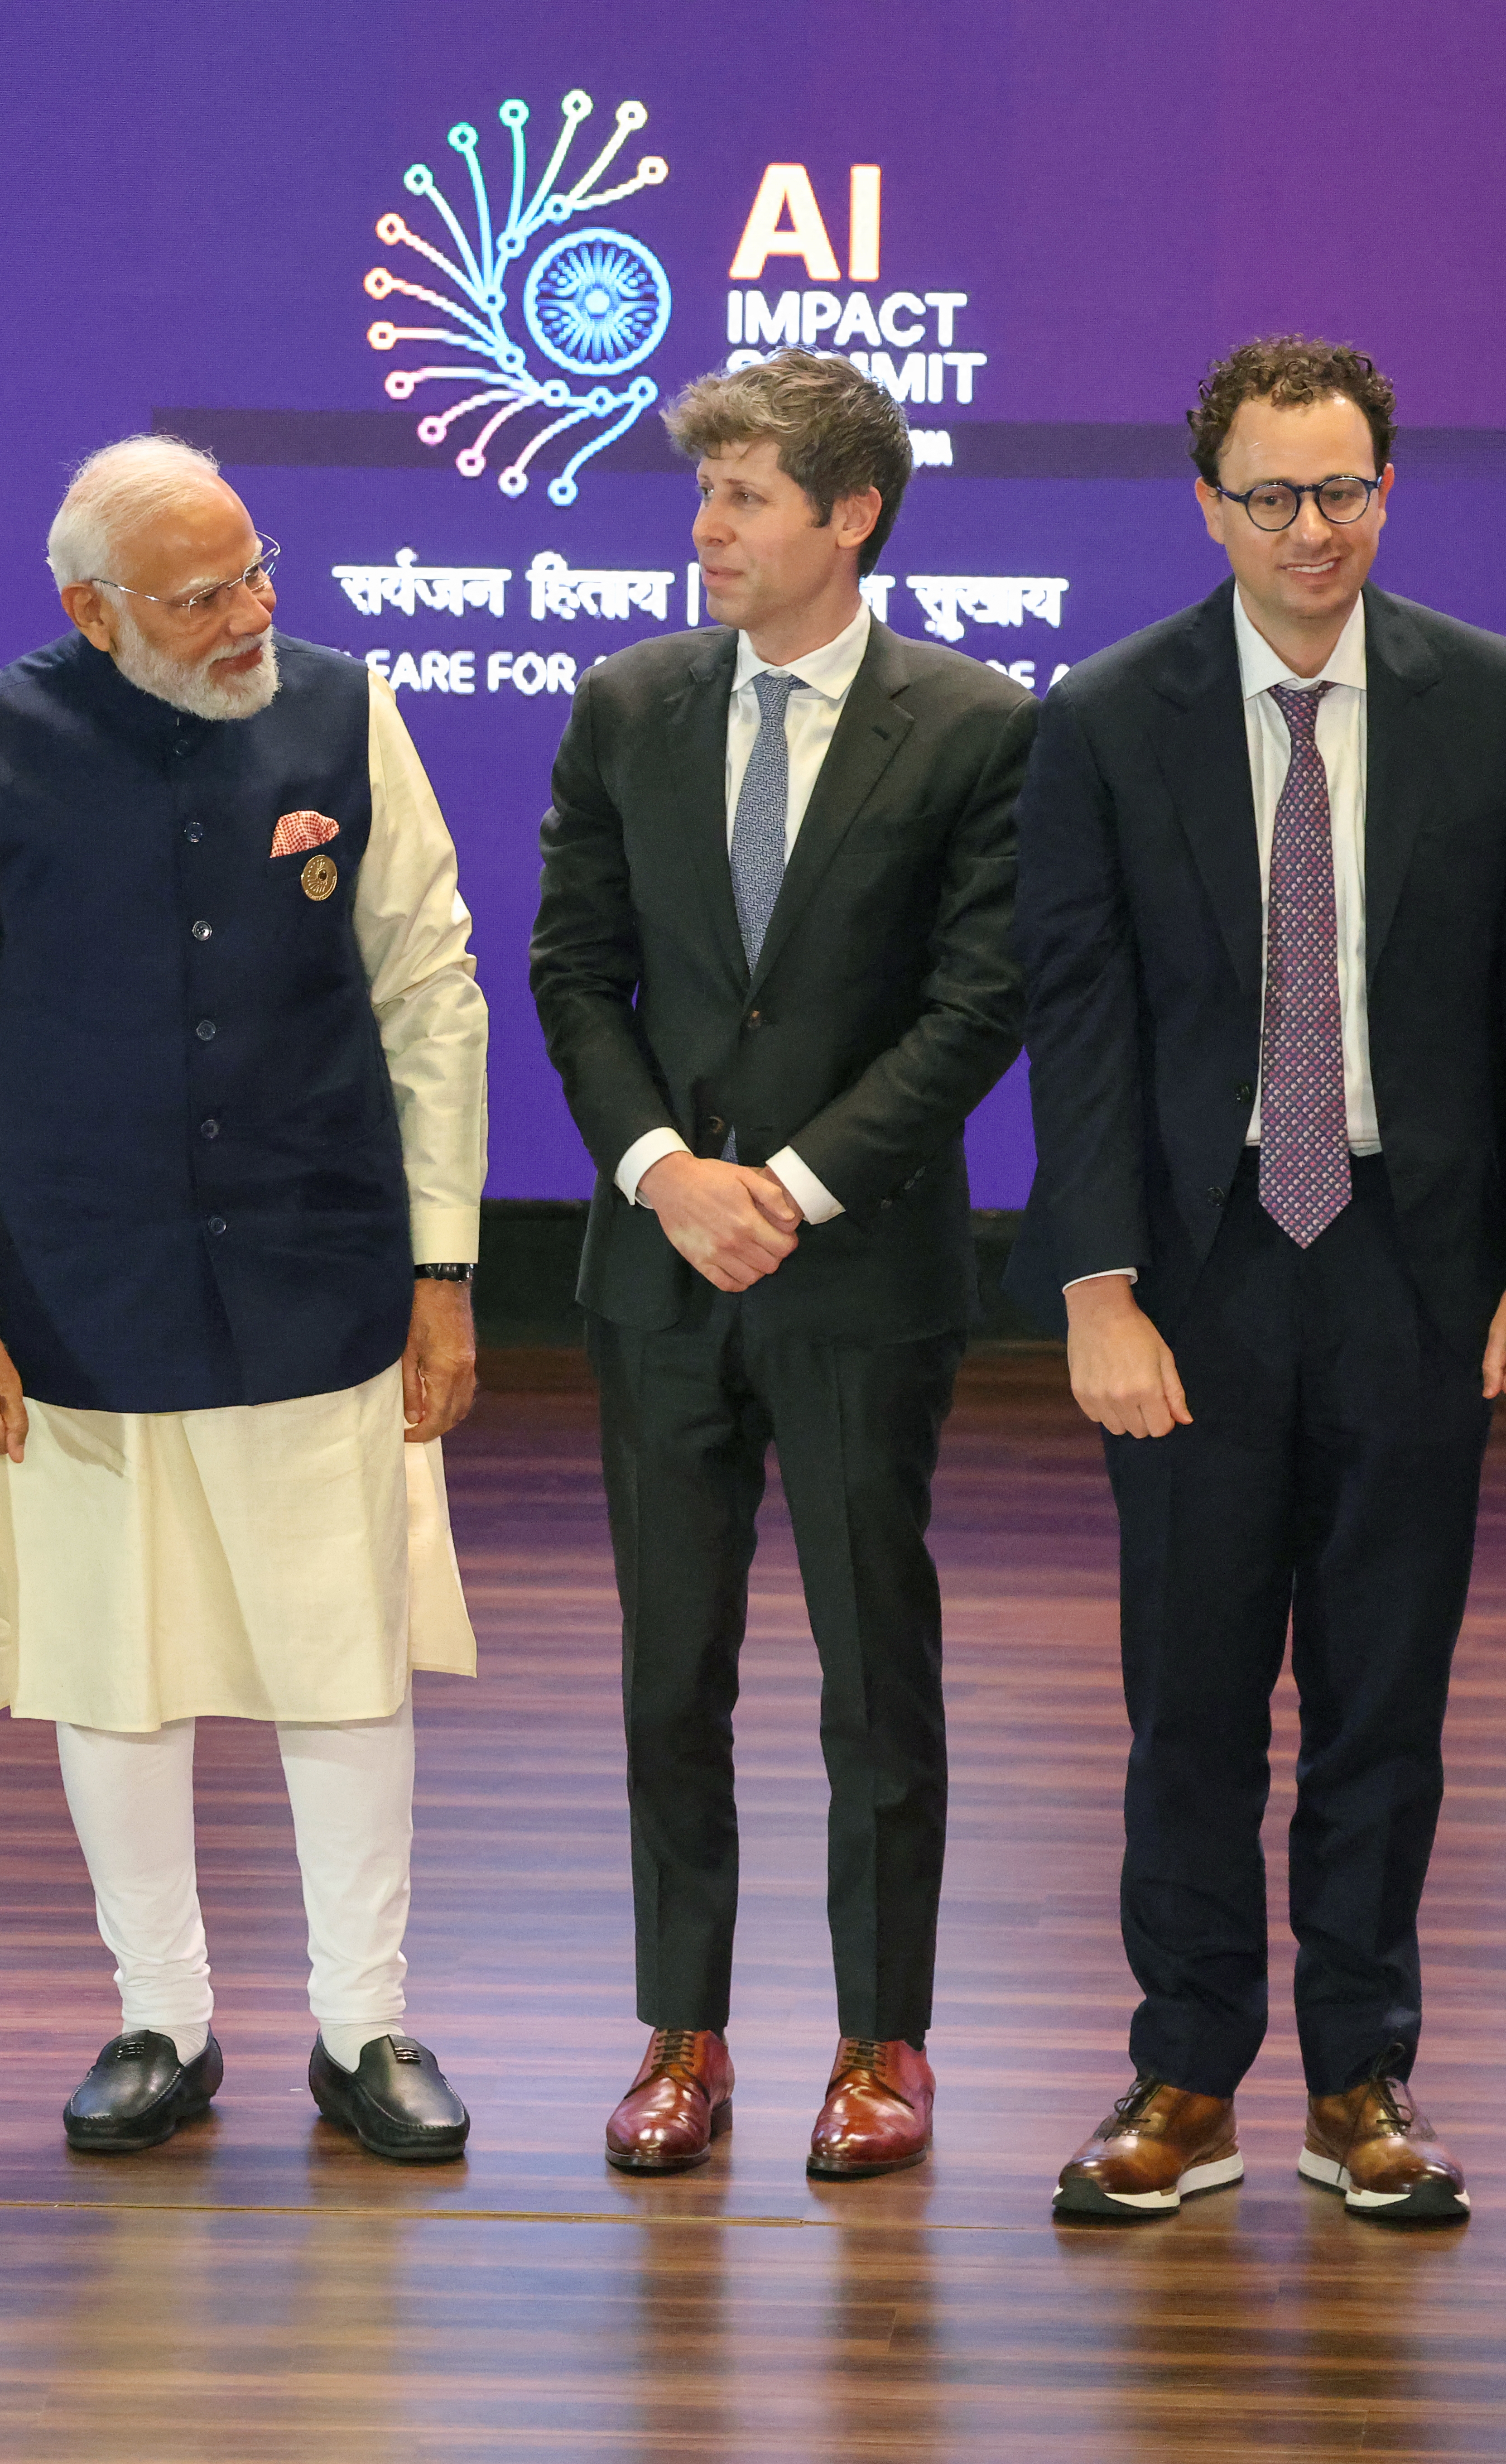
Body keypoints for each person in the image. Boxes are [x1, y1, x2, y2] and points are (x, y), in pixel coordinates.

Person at [1010, 335, 1506, 2223]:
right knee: (1188, 1696)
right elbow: (1078, 1017)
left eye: (1341, 488)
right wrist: (1093, 1284)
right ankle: (1185, 2070)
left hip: (1416, 1266)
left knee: (1382, 1694)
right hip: (1193, 1274)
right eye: (1269, 493)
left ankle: (1361, 2075)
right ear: (1208, 507)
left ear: (1385, 491)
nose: (1309, 526)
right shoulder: (1109, 714)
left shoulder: (1492, 703)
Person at [0, 435, 489, 2160]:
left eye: (257, 571)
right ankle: (162, 2016)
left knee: (342, 1656)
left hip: (323, 1268)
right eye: (203, 596)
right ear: (94, 610)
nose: (249, 616)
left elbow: (431, 995)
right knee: (111, 1663)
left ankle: (365, 2025)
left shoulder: (348, 714)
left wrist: (445, 1267)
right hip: (80, 1286)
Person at [528, 350, 1034, 2179]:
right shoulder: (628, 702)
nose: (707, 528)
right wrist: (668, 1173)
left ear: (851, 514)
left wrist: (794, 1188)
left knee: (871, 1671)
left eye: (743, 496)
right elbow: (572, 970)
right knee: (671, 1667)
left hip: (855, 1274)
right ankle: (682, 2026)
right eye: (705, 493)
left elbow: (979, 1002)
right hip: (658, 1268)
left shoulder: (973, 724)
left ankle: (880, 2039)